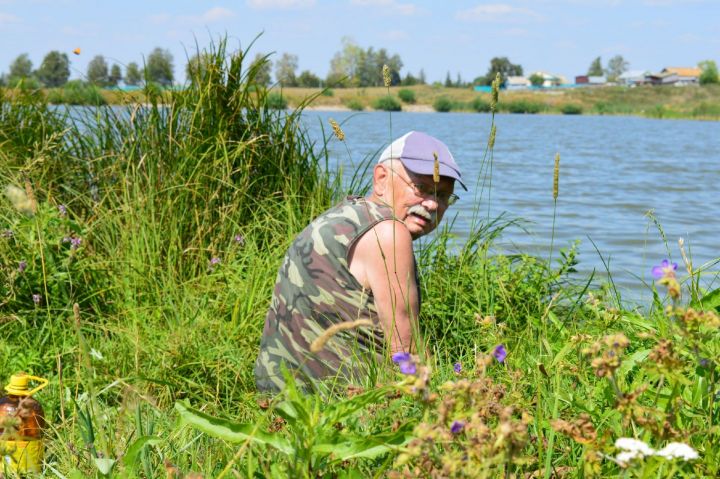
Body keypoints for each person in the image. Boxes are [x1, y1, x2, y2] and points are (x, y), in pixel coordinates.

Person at [254, 131, 466, 393]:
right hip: (340, 410)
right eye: (422, 188)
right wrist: (440, 411)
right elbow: (406, 351)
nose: (433, 204)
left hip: (280, 401)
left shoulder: (344, 214)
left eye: (444, 196)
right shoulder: (389, 233)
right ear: (381, 178)